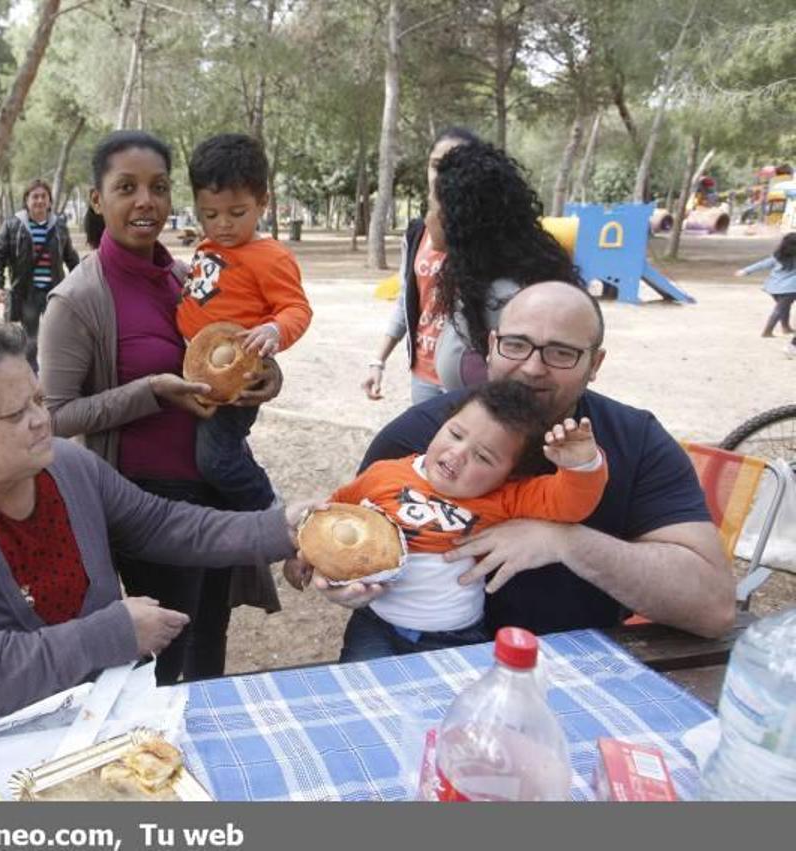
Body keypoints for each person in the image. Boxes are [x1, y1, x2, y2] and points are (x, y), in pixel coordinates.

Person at [0, 321, 298, 722]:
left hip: (57, 719)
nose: (40, 420)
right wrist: (111, 634)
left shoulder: (67, 467)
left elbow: (163, 524)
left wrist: (284, 530)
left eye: (38, 399)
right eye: (15, 414)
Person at [290, 281, 736, 653]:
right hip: (412, 658)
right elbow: (348, 534)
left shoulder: (633, 441)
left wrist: (567, 542)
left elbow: (713, 608)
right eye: (516, 344)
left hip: (573, 669)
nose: (532, 367)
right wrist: (338, 580)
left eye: (561, 353)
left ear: (595, 364)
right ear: (491, 347)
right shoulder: (421, 436)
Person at [38, 130, 284, 686]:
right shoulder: (76, 301)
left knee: (212, 637)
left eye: (158, 187)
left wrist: (266, 377)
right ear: (98, 199)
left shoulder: (189, 276)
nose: (144, 200)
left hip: (215, 486)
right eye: (126, 187)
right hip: (145, 500)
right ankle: (157, 757)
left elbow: (234, 349)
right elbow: (53, 416)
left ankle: (207, 749)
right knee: (168, 648)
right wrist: (150, 391)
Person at [302, 380, 608, 660]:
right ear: (443, 422)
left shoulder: (505, 497)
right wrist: (305, 555)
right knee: (363, 698)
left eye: (484, 457)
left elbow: (570, 504)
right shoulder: (385, 474)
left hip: (454, 638)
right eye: (456, 433)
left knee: (452, 713)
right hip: (376, 624)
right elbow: (334, 513)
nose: (458, 453)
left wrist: (583, 464)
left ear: (510, 474)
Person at [374, 140, 581, 400]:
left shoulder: (506, 298)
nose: (427, 220)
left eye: (431, 208)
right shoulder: (474, 282)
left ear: (457, 218)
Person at [178, 133, 312, 511]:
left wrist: (274, 331)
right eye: (210, 214)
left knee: (216, 460)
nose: (222, 224)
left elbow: (297, 309)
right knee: (212, 453)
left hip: (238, 376)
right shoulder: (208, 247)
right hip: (197, 368)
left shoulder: (270, 257)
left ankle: (269, 507)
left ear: (263, 203)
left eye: (236, 213)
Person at [362, 127, 480, 405]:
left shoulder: (487, 235)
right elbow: (407, 300)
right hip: (423, 373)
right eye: (436, 165)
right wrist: (377, 361)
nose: (441, 174)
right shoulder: (417, 233)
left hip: (468, 377)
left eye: (455, 165)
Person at [0, 180, 81, 366]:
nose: (39, 200)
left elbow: (70, 257)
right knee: (29, 342)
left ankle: (53, 382)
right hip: (27, 293)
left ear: (49, 201)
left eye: (43, 196)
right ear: (27, 200)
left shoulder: (59, 226)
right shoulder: (14, 225)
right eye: (35, 196)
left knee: (57, 339)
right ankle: (33, 381)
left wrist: (82, 282)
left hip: (55, 293)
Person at [735, 232, 796, 353]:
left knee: (784, 307)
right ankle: (767, 331)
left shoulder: (778, 256)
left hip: (773, 287)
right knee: (780, 309)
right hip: (789, 289)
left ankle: (785, 327)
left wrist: (745, 271)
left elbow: (762, 264)